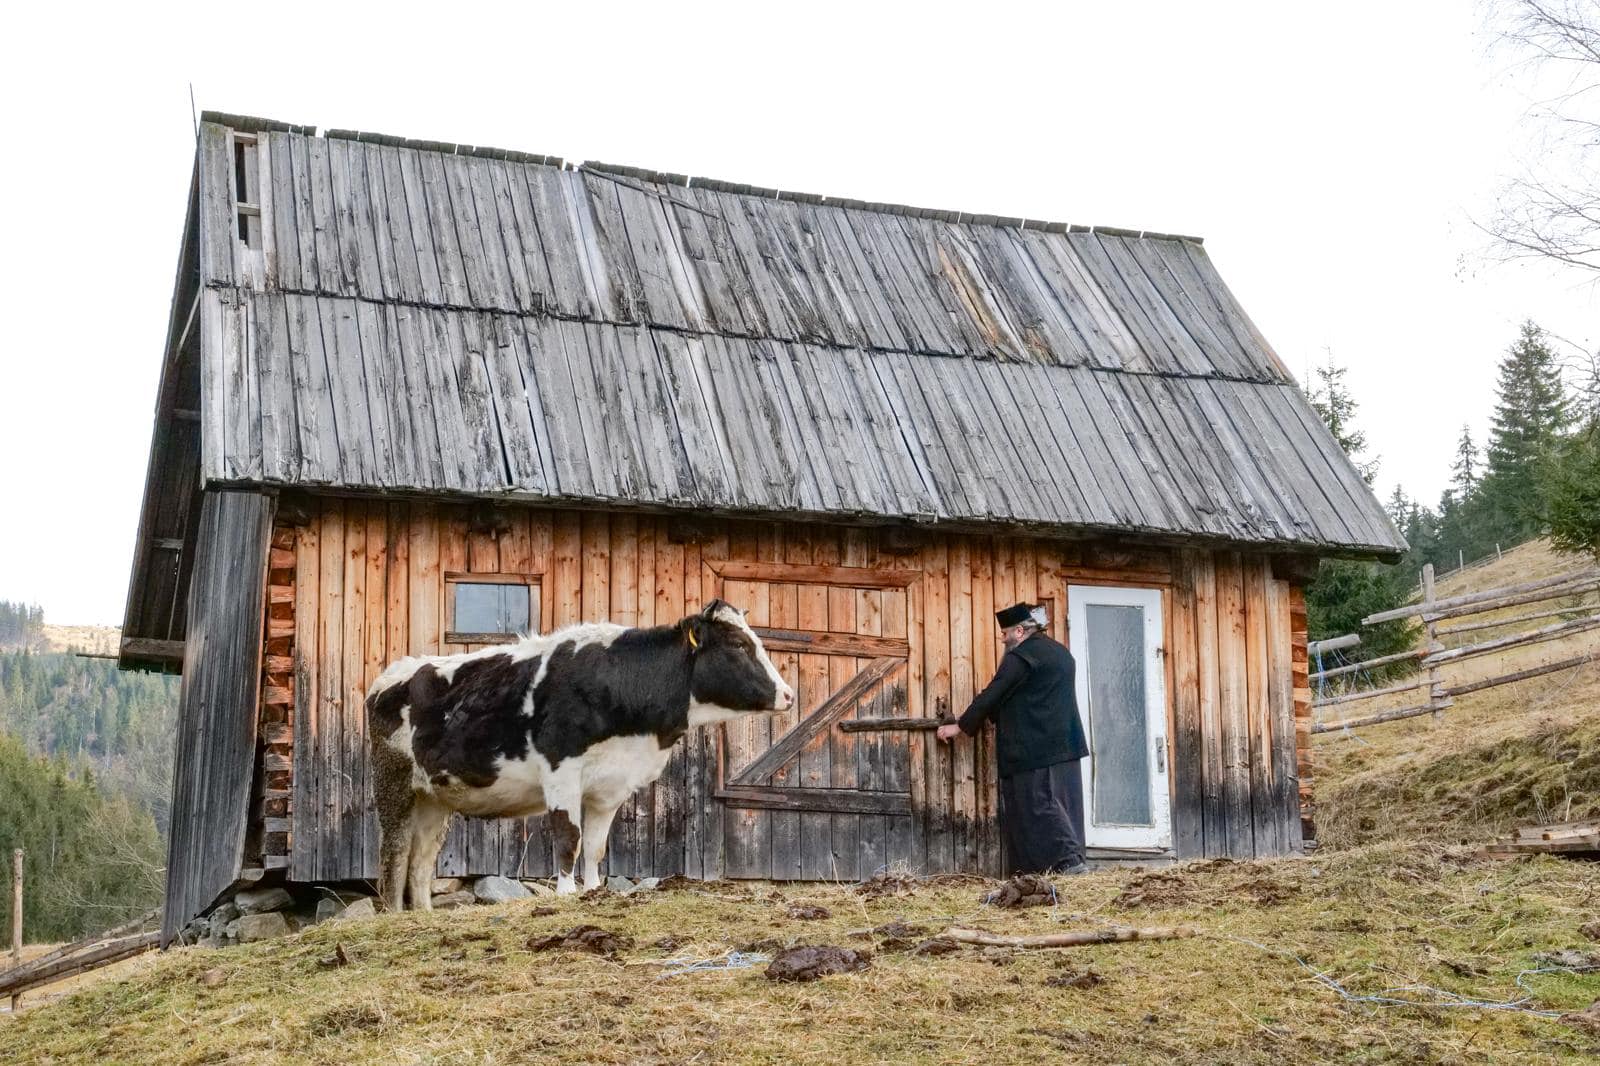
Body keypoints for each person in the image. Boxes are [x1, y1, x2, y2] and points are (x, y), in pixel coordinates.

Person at [936, 601, 1088, 875]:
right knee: (1064, 803)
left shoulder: (1022, 657)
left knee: (1037, 805)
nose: (1003, 639)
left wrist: (960, 726)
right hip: (1066, 744)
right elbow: (1019, 694)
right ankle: (1046, 871)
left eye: (1004, 633)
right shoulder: (1060, 653)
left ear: (1019, 631)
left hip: (1033, 747)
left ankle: (1070, 862)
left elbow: (995, 691)